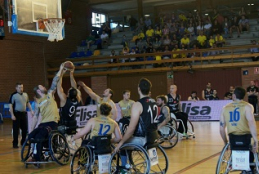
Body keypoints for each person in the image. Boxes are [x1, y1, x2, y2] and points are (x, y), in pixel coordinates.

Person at [28, 63, 64, 162]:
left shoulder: (49, 94)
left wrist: (60, 70)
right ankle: (33, 155)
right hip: (43, 123)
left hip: (52, 122)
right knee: (31, 136)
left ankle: (37, 158)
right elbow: (35, 117)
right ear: (38, 91)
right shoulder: (37, 103)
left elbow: (54, 81)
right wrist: (31, 129)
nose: (44, 87)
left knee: (39, 136)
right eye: (42, 87)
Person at [219, 87, 258, 173]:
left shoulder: (225, 108)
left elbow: (221, 129)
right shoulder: (248, 107)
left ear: (233, 96)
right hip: (246, 138)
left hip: (233, 138)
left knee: (234, 146)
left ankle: (235, 162)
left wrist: (225, 142)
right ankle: (250, 169)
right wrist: (256, 140)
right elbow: (251, 123)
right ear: (244, 96)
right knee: (251, 146)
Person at [114, 78, 158, 152]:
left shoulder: (137, 104)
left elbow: (131, 129)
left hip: (143, 139)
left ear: (138, 89)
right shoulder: (154, 102)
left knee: (121, 142)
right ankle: (130, 161)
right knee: (126, 139)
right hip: (154, 136)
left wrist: (120, 143)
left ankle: (125, 163)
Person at [9, 83, 34, 148]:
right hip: (16, 114)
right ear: (16, 88)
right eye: (19, 87)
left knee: (25, 129)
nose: (21, 89)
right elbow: (10, 105)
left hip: (23, 113)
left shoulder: (25, 95)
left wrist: (31, 110)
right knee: (16, 129)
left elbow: (28, 103)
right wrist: (12, 115)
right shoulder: (13, 95)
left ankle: (23, 142)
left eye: (22, 87)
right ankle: (15, 143)